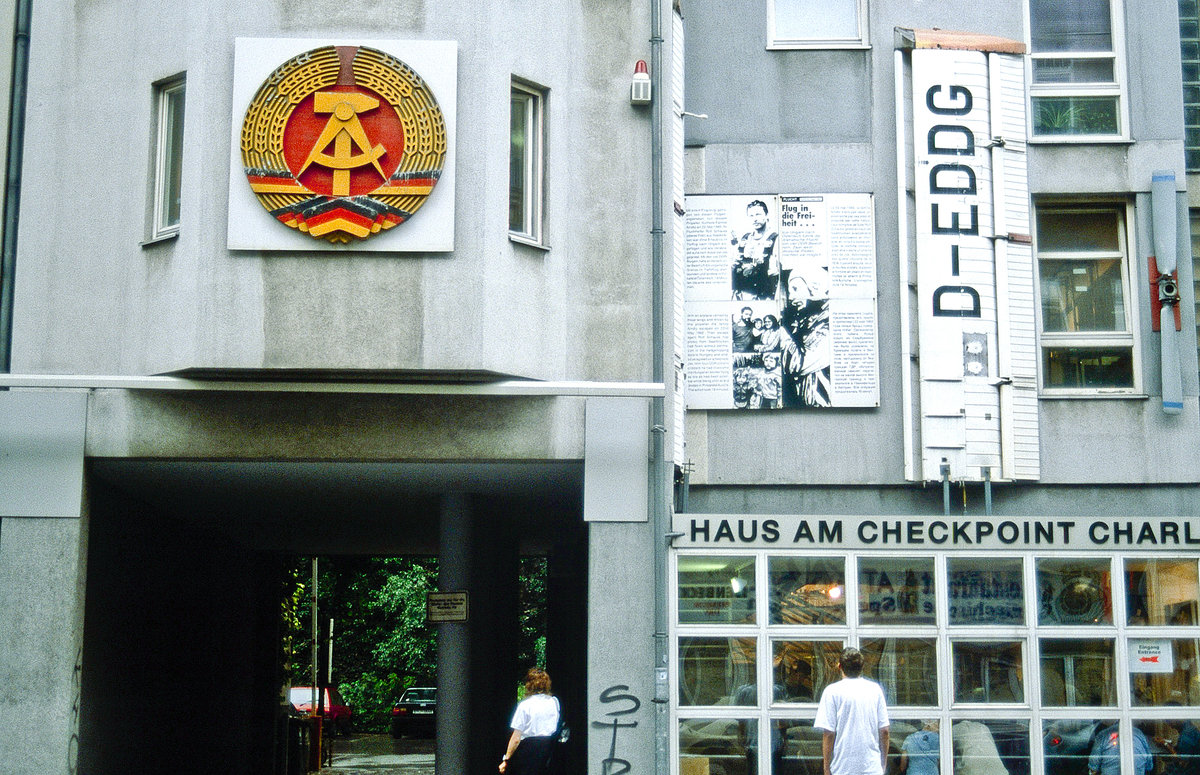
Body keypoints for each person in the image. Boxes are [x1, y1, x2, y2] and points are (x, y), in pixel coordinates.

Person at [814, 647, 890, 775]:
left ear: (839, 667)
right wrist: (882, 764)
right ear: (862, 667)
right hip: (871, 767)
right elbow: (884, 731)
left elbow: (829, 734)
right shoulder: (875, 690)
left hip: (842, 768)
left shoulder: (832, 691)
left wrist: (827, 769)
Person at [499, 668, 561, 775]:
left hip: (529, 752)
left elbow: (516, 738)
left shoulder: (525, 705)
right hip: (549, 750)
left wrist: (506, 759)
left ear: (529, 684)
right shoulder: (554, 702)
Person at [731, 200, 779, 300]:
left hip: (763, 295)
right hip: (742, 294)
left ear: (766, 215)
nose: (755, 219)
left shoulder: (774, 238)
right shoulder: (745, 239)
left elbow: (775, 275)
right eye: (751, 216)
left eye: (758, 214)